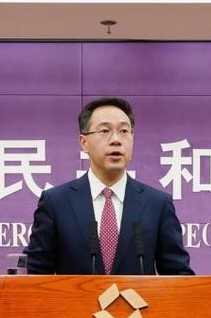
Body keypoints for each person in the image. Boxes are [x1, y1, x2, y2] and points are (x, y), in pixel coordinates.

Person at [23, 97, 194, 276]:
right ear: (84, 143)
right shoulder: (56, 202)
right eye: (105, 131)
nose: (116, 140)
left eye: (124, 131)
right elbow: (33, 274)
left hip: (139, 297)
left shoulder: (157, 204)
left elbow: (180, 277)